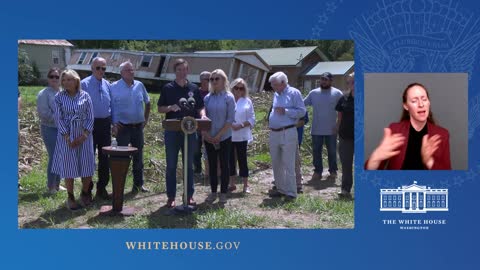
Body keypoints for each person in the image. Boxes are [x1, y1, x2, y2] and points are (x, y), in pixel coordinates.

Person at [365, 82, 451, 170]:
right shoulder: (395, 130)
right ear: (406, 106)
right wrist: (375, 158)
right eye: (414, 101)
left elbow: (448, 177)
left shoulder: (442, 134)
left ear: (429, 102)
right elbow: (370, 175)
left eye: (424, 99)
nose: (421, 104)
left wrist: (429, 161)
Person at [158, 59, 206, 208]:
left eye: (184, 69)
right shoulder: (168, 88)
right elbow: (160, 108)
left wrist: (203, 116)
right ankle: (171, 197)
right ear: (175, 71)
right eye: (179, 69)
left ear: (188, 71)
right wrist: (170, 108)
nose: (182, 72)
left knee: (189, 165)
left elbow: (200, 107)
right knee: (171, 165)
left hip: (190, 131)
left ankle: (189, 195)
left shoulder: (194, 88)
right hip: (172, 131)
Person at [51, 69, 95, 210]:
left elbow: (90, 117)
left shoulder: (85, 96)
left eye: (69, 79)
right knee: (68, 167)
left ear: (76, 81)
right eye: (63, 80)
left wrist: (84, 135)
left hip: (85, 136)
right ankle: (70, 197)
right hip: (66, 137)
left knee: (87, 165)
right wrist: (68, 137)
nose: (65, 82)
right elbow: (58, 118)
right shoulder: (59, 97)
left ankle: (84, 193)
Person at [111, 61, 151, 193]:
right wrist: (114, 124)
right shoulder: (114, 87)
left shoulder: (139, 85)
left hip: (137, 128)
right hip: (123, 128)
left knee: (138, 157)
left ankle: (138, 185)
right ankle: (119, 186)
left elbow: (148, 102)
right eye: (128, 70)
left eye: (132, 70)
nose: (131, 72)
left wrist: (145, 120)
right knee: (122, 158)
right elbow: (110, 106)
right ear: (121, 72)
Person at [268, 72, 306, 200]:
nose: (273, 87)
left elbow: (302, 111)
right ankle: (280, 188)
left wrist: (286, 111)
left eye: (275, 84)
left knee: (288, 163)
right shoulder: (276, 94)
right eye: (272, 85)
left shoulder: (294, 93)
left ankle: (291, 192)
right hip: (274, 132)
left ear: (283, 83)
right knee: (276, 162)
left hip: (288, 131)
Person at [81, 57, 112, 200]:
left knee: (105, 157)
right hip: (89, 125)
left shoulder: (107, 84)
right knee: (88, 158)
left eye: (103, 68)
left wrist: (114, 122)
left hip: (105, 124)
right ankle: (86, 190)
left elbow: (112, 105)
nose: (101, 71)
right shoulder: (84, 84)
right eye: (98, 68)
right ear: (92, 69)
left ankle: (102, 188)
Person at [203, 69, 235, 204]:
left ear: (224, 80)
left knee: (224, 165)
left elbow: (230, 120)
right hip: (209, 137)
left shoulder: (229, 97)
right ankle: (213, 192)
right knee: (212, 165)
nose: (214, 81)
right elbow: (203, 118)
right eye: (212, 79)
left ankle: (223, 193)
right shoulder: (207, 98)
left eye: (217, 79)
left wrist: (219, 135)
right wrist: (206, 135)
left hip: (224, 137)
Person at [304, 72, 343, 180]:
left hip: (332, 129)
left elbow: (342, 111)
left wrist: (338, 125)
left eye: (326, 80)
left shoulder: (337, 93)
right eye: (322, 79)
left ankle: (333, 171)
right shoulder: (313, 93)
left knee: (332, 151)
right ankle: (317, 171)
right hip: (316, 129)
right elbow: (302, 104)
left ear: (331, 81)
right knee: (316, 151)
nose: (323, 81)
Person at [37, 67, 64, 194]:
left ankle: (58, 184)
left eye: (57, 77)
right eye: (51, 76)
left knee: (60, 156)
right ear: (48, 78)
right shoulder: (43, 94)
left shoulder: (63, 92)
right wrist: (60, 118)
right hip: (49, 129)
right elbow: (44, 114)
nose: (54, 79)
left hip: (62, 129)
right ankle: (51, 186)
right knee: (54, 156)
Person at [228, 78, 255, 194]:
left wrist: (241, 125)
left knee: (242, 159)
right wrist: (230, 125)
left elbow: (252, 118)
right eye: (236, 88)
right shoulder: (228, 100)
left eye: (241, 88)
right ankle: (232, 183)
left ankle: (245, 184)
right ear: (232, 88)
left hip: (242, 134)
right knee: (230, 160)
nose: (238, 90)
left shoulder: (247, 101)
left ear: (244, 89)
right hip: (228, 133)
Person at [336, 73, 355, 198]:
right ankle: (345, 189)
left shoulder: (367, 97)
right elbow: (340, 117)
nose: (351, 85)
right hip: (345, 137)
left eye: (353, 82)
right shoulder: (344, 98)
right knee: (346, 165)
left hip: (362, 138)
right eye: (349, 82)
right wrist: (337, 131)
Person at [193, 71, 211, 177]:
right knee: (196, 149)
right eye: (208, 79)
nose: (211, 82)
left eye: (212, 79)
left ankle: (210, 171)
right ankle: (198, 170)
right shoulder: (196, 92)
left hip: (210, 126)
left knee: (209, 149)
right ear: (201, 81)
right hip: (197, 125)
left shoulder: (213, 93)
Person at [294, 111, 309, 194]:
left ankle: (297, 180)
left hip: (296, 136)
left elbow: (304, 120)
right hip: (281, 136)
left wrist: (289, 126)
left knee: (296, 159)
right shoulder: (278, 100)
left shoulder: (300, 104)